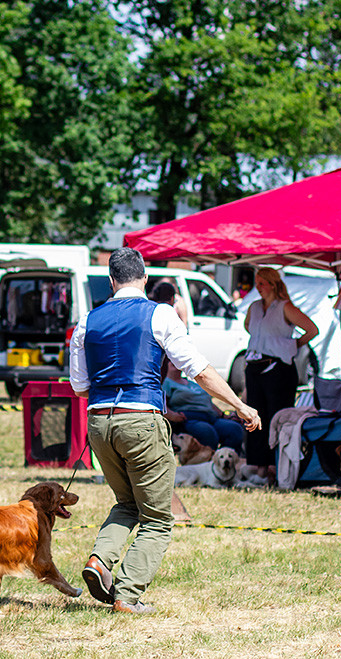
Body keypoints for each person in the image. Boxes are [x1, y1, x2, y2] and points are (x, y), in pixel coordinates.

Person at [69, 247, 260, 614]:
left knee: (127, 503)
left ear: (110, 282)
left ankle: (99, 560)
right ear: (144, 279)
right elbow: (199, 370)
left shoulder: (86, 321)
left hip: (98, 423)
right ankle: (127, 594)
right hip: (141, 420)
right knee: (157, 518)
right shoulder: (160, 314)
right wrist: (238, 404)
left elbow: (79, 386)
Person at [243, 267, 318, 481]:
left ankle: (277, 465)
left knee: (278, 416)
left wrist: (291, 345)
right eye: (257, 284)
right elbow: (248, 326)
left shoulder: (285, 307)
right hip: (256, 364)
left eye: (262, 283)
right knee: (255, 416)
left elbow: (312, 330)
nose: (258, 288)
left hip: (279, 367)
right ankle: (259, 466)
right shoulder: (255, 307)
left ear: (272, 284)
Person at [162, 361, 245, 453]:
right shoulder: (167, 384)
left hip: (211, 416)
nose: (174, 364)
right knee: (207, 432)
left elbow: (208, 403)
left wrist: (223, 415)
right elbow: (163, 405)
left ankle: (224, 460)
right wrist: (173, 415)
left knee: (234, 429)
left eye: (176, 362)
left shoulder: (192, 383)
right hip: (189, 419)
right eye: (171, 362)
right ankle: (207, 462)